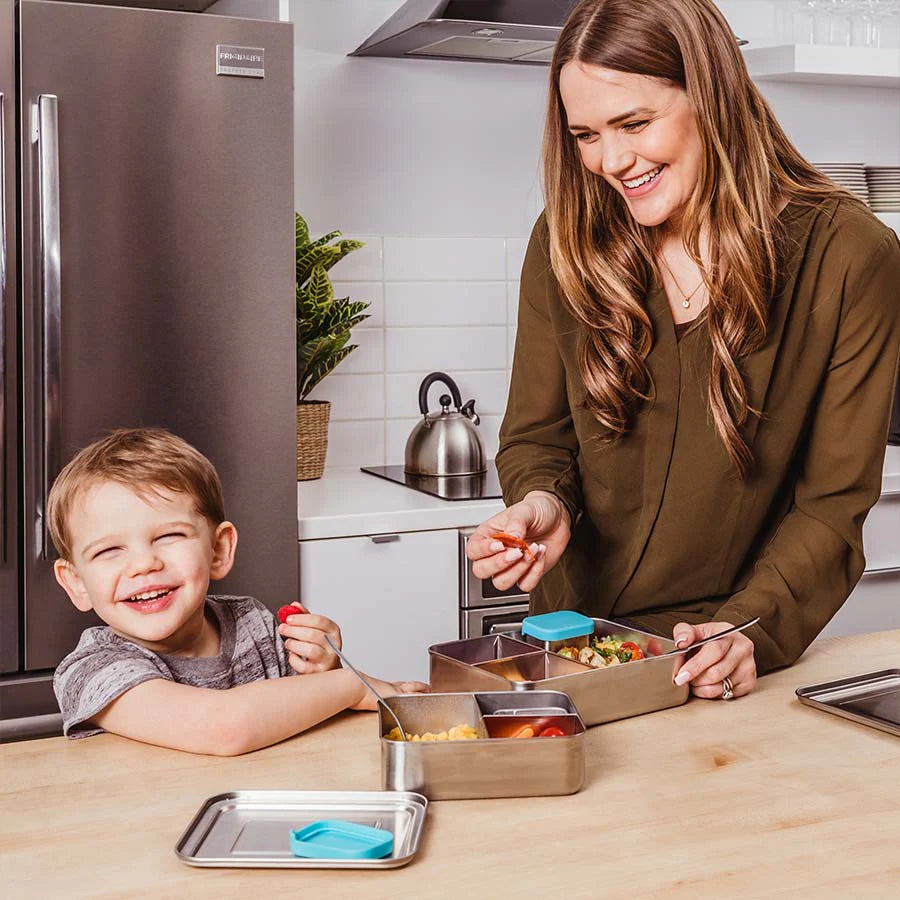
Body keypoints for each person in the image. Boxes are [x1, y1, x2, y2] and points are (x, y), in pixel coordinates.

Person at [467, 0, 900, 701]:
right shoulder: (565, 240)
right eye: (586, 135)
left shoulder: (849, 255)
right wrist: (544, 503)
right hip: (570, 651)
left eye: (635, 124)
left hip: (720, 660)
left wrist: (746, 630)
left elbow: (832, 504)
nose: (611, 161)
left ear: (712, 96)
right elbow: (536, 438)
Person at [50, 427, 427, 754]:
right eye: (109, 551)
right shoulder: (92, 670)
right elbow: (224, 728)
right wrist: (350, 685)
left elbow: (304, 718)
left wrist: (321, 667)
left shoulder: (253, 622)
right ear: (77, 583)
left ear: (219, 550)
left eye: (168, 536)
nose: (144, 564)